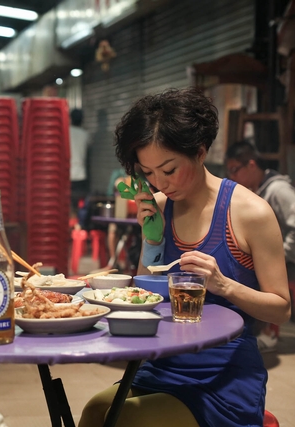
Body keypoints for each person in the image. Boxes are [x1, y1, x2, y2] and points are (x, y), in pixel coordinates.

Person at [79, 88, 291, 427]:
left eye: (169, 169)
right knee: (94, 412)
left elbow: (281, 308)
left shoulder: (250, 212)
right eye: (148, 173)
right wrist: (151, 240)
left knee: (128, 420)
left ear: (200, 152)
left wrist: (224, 285)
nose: (160, 183)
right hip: (163, 363)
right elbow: (143, 295)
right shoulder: (161, 207)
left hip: (224, 374)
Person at [225, 139, 295, 350]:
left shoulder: (278, 189)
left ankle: (267, 332)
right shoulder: (256, 190)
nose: (232, 177)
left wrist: (280, 254)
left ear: (251, 165)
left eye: (235, 170)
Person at [69, 108, 91, 211]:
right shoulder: (85, 134)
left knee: (68, 203)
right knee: (79, 204)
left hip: (67, 174)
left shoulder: (66, 132)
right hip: (81, 174)